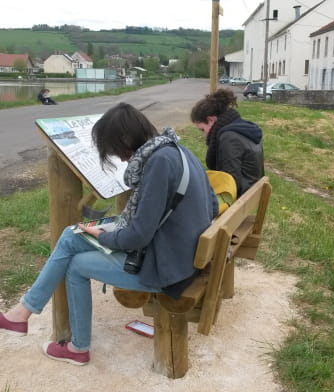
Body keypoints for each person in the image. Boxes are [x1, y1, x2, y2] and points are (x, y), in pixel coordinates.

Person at [0, 102, 218, 366]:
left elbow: (137, 237)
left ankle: (78, 348)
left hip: (170, 270)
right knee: (71, 236)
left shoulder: (158, 164)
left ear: (124, 141)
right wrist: (108, 231)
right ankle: (22, 313)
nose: (117, 156)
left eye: (113, 149)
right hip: (183, 253)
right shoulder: (176, 150)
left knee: (76, 265)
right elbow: (211, 206)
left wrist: (104, 236)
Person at [191, 88, 264, 196]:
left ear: (211, 120)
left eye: (202, 129)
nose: (204, 134)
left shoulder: (229, 138)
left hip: (239, 199)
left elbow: (230, 182)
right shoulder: (242, 128)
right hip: (251, 193)